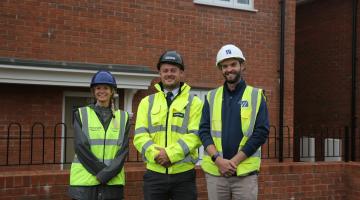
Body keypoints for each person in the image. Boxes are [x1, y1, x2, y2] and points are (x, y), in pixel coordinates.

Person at [199, 44, 270, 200]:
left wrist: (233, 162)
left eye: (233, 64)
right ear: (221, 69)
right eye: (225, 66)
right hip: (216, 172)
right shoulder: (211, 97)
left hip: (245, 173)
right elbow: (203, 131)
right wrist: (218, 161)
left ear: (242, 66)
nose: (229, 69)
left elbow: (261, 133)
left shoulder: (256, 96)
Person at [133, 50, 203, 200]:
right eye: (165, 70)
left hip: (184, 175)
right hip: (154, 174)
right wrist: (157, 155)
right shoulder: (147, 102)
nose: (169, 74)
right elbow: (140, 135)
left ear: (181, 73)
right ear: (160, 73)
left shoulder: (194, 102)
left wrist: (170, 155)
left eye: (173, 70)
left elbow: (195, 135)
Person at [68, 70, 130, 200]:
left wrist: (106, 174)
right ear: (93, 91)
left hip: (112, 184)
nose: (102, 91)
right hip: (84, 183)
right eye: (98, 88)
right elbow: (81, 147)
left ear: (112, 91)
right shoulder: (80, 114)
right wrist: (103, 173)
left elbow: (123, 151)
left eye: (106, 88)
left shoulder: (123, 117)